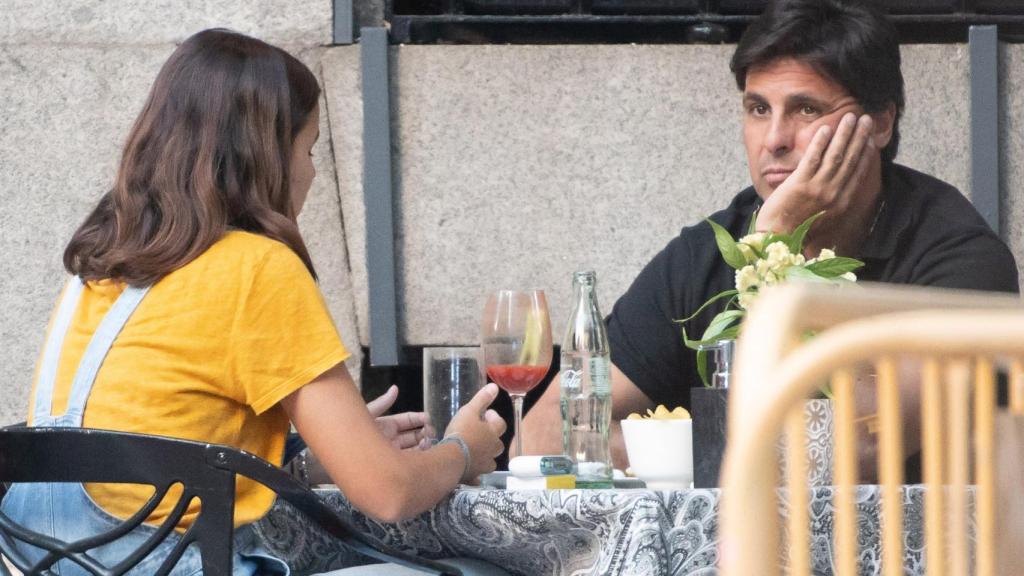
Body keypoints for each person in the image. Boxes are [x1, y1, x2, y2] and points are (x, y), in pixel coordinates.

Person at [1, 29, 507, 575]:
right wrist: (461, 451)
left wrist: (315, 455)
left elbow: (157, 438)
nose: (312, 172)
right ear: (268, 153)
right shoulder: (257, 268)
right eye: (309, 149)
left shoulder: (99, 265)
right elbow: (387, 495)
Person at [522, 0, 1019, 469]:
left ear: (881, 122)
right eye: (758, 109)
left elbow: (855, 450)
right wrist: (706, 448)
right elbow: (550, 432)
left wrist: (772, 248)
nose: (775, 139)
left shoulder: (959, 257)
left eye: (806, 110)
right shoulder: (707, 251)